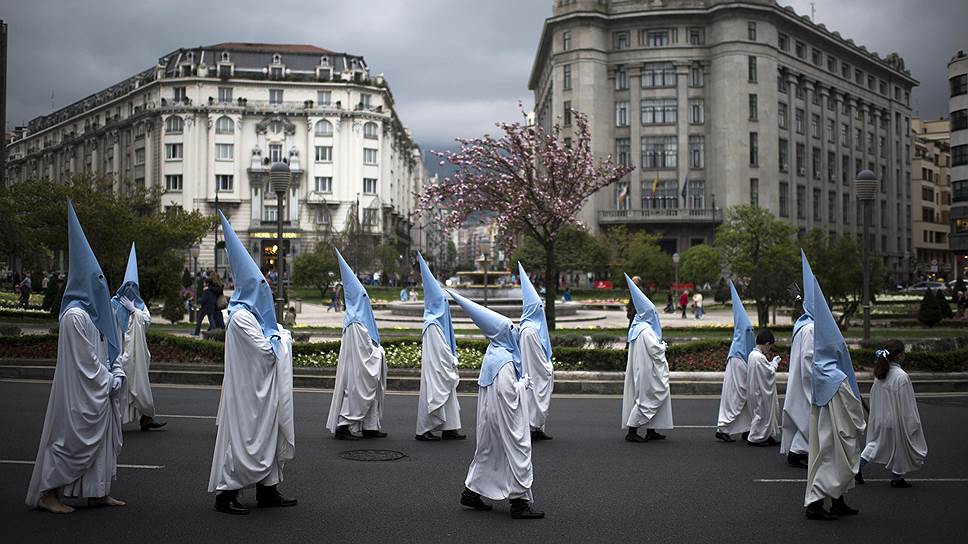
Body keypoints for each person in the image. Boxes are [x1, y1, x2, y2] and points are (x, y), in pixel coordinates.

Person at [26, 199, 127, 513]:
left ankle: (97, 491)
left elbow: (106, 348)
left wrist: (116, 367)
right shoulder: (74, 316)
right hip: (78, 393)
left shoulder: (91, 314)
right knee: (68, 439)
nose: (101, 286)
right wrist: (108, 377)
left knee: (102, 441)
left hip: (96, 390)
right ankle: (48, 494)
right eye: (95, 280)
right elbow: (84, 361)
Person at [209, 211, 296, 515]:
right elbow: (266, 351)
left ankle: (268, 491)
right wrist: (283, 340)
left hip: (262, 392)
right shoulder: (243, 318)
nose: (266, 291)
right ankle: (226, 495)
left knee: (267, 437)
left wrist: (278, 335)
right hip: (248, 394)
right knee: (244, 440)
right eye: (260, 286)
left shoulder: (253, 316)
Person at [449, 290, 544, 519]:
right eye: (510, 328)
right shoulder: (506, 360)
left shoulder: (493, 351)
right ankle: (519, 503)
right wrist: (523, 385)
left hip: (490, 416)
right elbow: (507, 393)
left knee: (489, 453)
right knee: (517, 453)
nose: (515, 330)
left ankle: (470, 494)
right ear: (502, 334)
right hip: (504, 417)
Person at [803, 261, 866, 521]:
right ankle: (816, 504)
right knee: (831, 457)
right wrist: (861, 424)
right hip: (834, 423)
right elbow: (853, 413)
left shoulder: (821, 367)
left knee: (828, 456)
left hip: (825, 417)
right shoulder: (835, 375)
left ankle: (838, 500)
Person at [326, 249, 387, 440]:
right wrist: (379, 353)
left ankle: (370, 427)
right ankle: (345, 426)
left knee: (369, 392)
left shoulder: (357, 318)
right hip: (358, 367)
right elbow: (364, 351)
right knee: (355, 391)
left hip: (360, 365)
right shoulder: (355, 321)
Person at [856, 340, 927, 488]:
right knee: (899, 446)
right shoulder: (901, 376)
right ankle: (897, 477)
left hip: (882, 418)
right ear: (900, 355)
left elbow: (875, 397)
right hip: (896, 419)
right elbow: (907, 403)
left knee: (874, 444)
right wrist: (912, 422)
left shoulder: (881, 374)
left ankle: (857, 469)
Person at [112, 243, 165, 432]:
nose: (132, 288)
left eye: (134, 285)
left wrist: (134, 311)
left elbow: (148, 321)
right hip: (121, 353)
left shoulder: (140, 305)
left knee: (140, 386)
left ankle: (146, 418)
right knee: (120, 388)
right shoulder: (114, 304)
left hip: (137, 354)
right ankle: (112, 420)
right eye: (129, 285)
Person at [414, 253, 464, 441]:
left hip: (443, 367)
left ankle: (449, 428)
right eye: (442, 302)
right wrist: (451, 359)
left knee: (449, 396)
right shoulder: (432, 324)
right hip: (436, 369)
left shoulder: (438, 322)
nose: (446, 305)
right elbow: (440, 350)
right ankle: (424, 430)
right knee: (432, 395)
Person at [622, 273, 673, 442]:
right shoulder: (645, 330)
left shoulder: (638, 326)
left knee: (648, 397)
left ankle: (651, 430)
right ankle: (632, 430)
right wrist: (664, 345)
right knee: (646, 398)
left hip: (645, 368)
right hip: (647, 371)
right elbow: (656, 349)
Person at [781, 251, 816, 469]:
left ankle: (798, 450)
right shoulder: (810, 327)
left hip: (800, 378)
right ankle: (797, 452)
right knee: (808, 417)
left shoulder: (802, 324)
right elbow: (808, 360)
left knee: (805, 418)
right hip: (806, 380)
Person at [519, 263, 554, 441]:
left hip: (532, 371)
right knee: (532, 396)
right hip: (532, 373)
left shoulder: (530, 327)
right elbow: (536, 359)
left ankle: (537, 427)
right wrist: (548, 368)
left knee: (533, 397)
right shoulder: (530, 330)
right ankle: (532, 426)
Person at [715, 281, 754, 443]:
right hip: (737, 385)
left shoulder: (743, 350)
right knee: (736, 402)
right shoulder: (738, 353)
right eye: (748, 331)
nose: (750, 334)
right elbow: (742, 385)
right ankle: (723, 428)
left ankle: (747, 429)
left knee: (745, 406)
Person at [746, 328, 781, 446]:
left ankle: (766, 435)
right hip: (760, 391)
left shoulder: (753, 355)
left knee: (763, 414)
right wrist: (775, 363)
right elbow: (769, 373)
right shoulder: (759, 357)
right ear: (766, 344)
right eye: (769, 347)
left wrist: (770, 363)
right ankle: (755, 438)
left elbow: (764, 370)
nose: (769, 349)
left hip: (755, 389)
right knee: (762, 414)